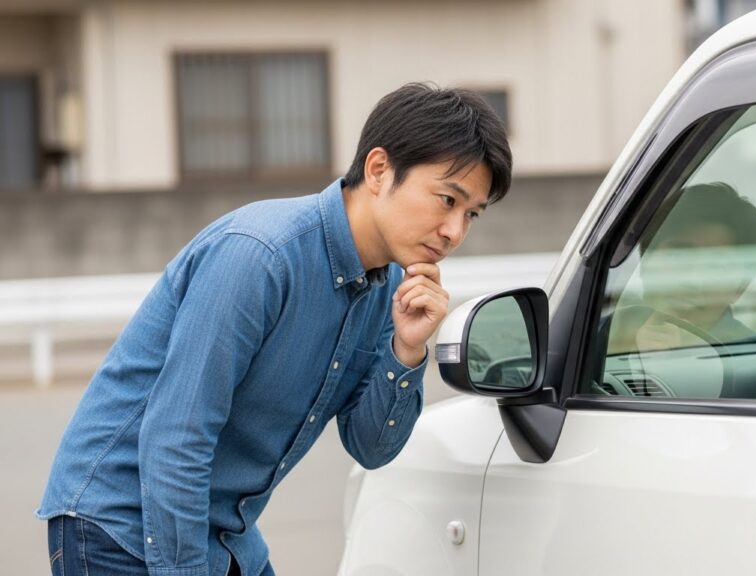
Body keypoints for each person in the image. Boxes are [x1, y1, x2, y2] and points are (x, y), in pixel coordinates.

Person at [37, 83, 512, 576]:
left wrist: (407, 349)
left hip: (222, 532)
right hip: (121, 524)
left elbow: (371, 447)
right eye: (446, 199)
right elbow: (177, 435)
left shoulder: (387, 287)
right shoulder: (261, 255)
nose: (454, 231)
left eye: (471, 214)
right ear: (378, 170)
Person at [614, 182, 756, 400]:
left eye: (716, 267)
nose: (693, 279)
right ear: (645, 261)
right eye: (680, 255)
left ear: (740, 288)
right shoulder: (594, 339)